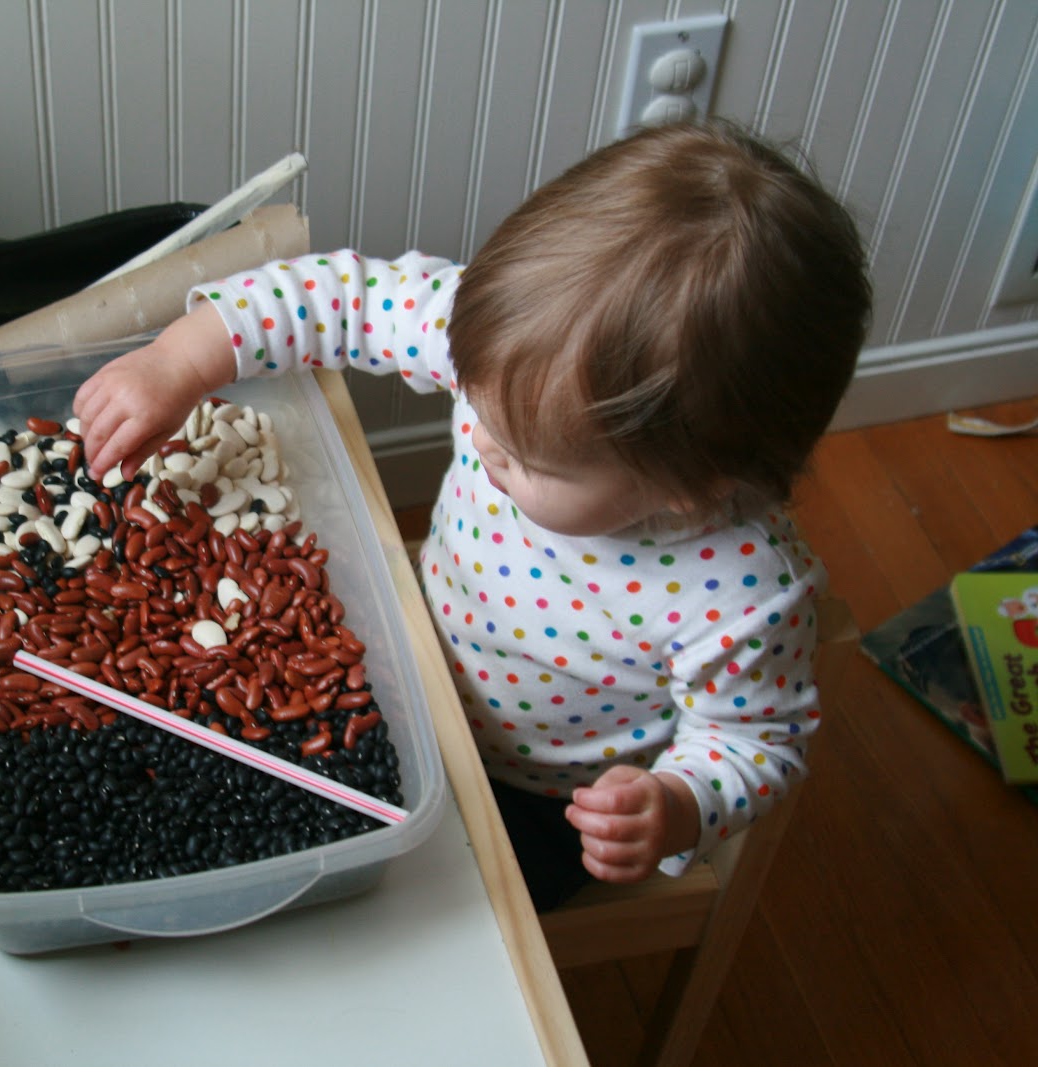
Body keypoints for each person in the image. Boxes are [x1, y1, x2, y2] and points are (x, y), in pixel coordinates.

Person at [74, 120, 872, 910]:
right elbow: (344, 298)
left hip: (535, 797)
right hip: (403, 658)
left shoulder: (745, 594)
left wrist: (675, 804)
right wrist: (181, 358)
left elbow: (757, 741)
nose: (482, 442)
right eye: (478, 406)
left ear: (688, 487)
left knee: (397, 917)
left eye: (528, 459)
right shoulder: (520, 351)